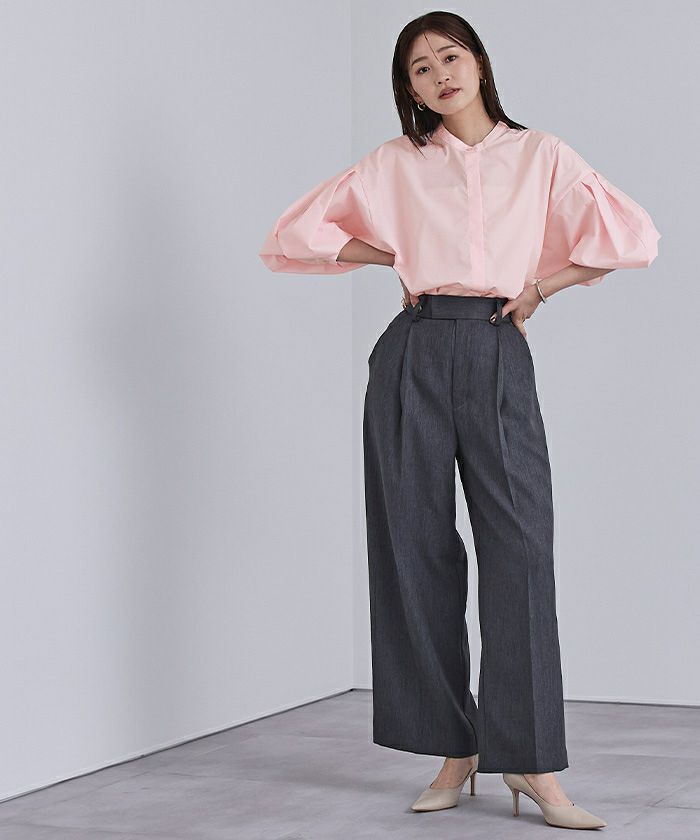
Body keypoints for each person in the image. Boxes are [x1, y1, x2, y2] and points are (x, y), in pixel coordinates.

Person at [258, 10, 660, 831]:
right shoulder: (396, 163)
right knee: (415, 548)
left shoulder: (541, 154)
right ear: (408, 89)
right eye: (419, 68)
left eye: (449, 56)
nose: (438, 74)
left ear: (479, 62)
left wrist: (541, 287)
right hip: (413, 349)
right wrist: (395, 255)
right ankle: (454, 749)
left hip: (495, 344)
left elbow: (634, 237)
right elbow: (292, 236)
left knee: (521, 550)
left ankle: (532, 763)